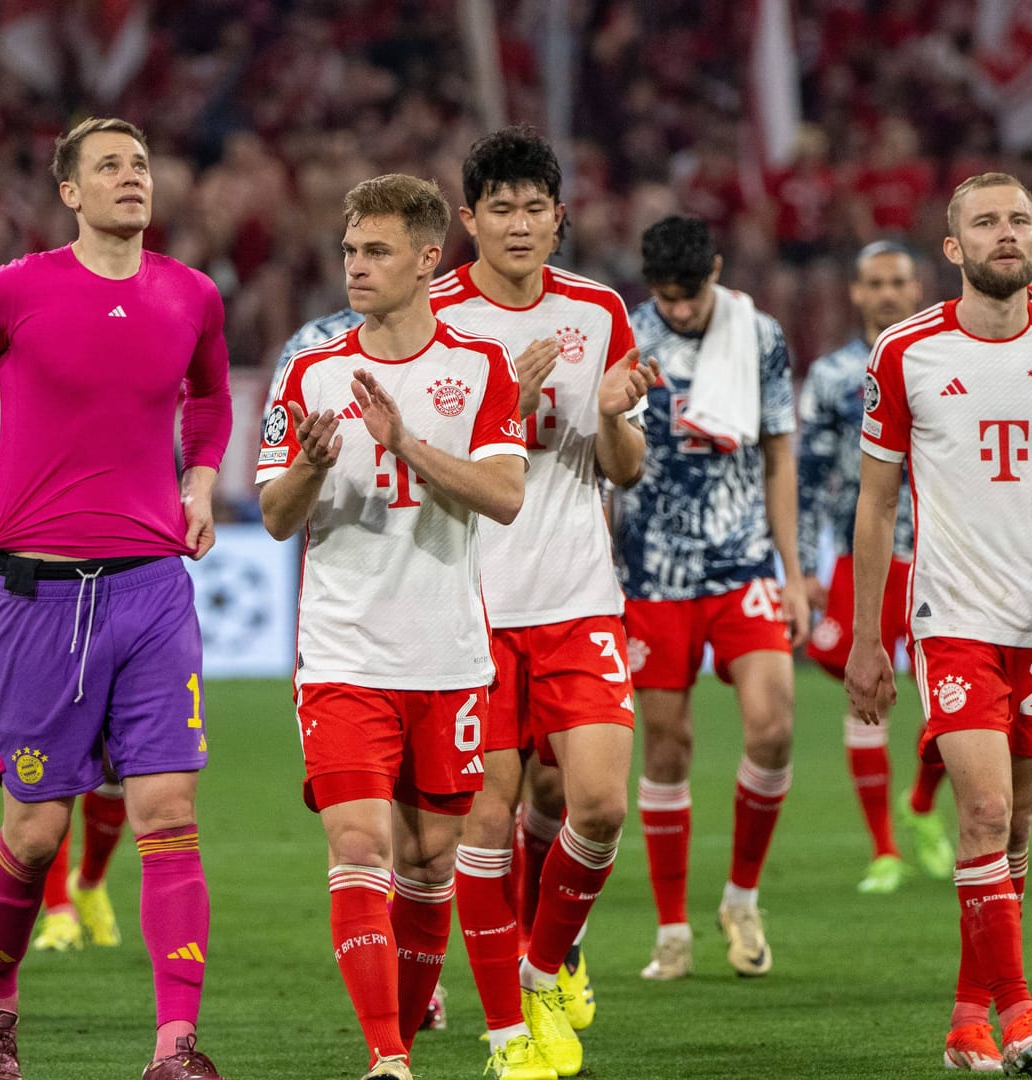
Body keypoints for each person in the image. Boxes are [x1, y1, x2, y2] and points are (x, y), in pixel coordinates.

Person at [0, 117, 234, 1080]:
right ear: (72, 193)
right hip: (40, 598)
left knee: (166, 808)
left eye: (141, 163)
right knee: (35, 831)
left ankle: (175, 1049)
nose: (132, 177)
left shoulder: (192, 295)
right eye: (110, 167)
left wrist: (202, 482)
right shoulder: (16, 289)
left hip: (153, 589)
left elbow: (208, 399)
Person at [846, 172, 1032, 1075]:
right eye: (985, 222)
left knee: (1013, 827)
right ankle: (1019, 1012)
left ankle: (965, 1018)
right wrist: (869, 637)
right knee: (979, 809)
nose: (1007, 233)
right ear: (955, 249)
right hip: (955, 618)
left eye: (1020, 220)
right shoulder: (908, 351)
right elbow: (874, 505)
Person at [256, 172, 527, 1080]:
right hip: (342, 652)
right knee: (360, 842)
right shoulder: (309, 371)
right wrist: (308, 464)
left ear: (425, 258)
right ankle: (385, 1060)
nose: (356, 267)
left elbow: (504, 497)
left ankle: (401, 1038)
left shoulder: (478, 368)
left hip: (447, 657)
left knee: (427, 859)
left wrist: (406, 441)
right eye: (348, 251)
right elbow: (276, 515)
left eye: (376, 252)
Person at [429, 126, 653, 1080]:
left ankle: (538, 965)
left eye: (536, 209)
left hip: (575, 592)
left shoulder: (599, 310)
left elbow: (626, 469)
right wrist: (504, 408)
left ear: (560, 219)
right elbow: (434, 470)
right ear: (468, 219)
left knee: (598, 804)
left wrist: (609, 413)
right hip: (467, 602)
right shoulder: (434, 316)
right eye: (501, 209)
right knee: (487, 821)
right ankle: (511, 1035)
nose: (520, 225)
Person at [618, 214, 807, 982]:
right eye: (668, 297)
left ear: (717, 271)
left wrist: (793, 572)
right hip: (652, 571)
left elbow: (778, 455)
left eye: (691, 295)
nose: (683, 310)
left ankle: (741, 896)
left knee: (773, 727)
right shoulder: (625, 338)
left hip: (740, 563)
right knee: (668, 746)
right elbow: (605, 461)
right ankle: (671, 927)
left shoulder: (757, 335)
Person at [797, 240, 955, 896]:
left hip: (943, 550)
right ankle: (885, 849)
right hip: (864, 556)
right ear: (857, 294)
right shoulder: (834, 377)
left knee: (950, 701)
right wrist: (804, 562)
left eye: (898, 281)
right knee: (866, 699)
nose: (887, 292)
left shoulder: (945, 361)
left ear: (916, 289)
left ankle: (919, 803)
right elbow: (808, 476)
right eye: (875, 283)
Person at [0, 383, 129, 955]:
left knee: (117, 766)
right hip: (34, 606)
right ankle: (56, 909)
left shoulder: (118, 379)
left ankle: (90, 884)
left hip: (121, 594)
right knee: (44, 767)